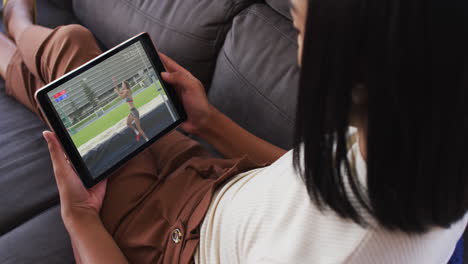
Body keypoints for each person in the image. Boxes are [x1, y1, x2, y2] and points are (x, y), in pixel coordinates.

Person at [1, 0, 467, 263]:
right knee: (80, 77)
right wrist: (208, 122)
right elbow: (303, 179)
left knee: (71, 49)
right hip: (213, 180)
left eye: (299, 31)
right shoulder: (423, 143)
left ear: (350, 67)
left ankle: (14, 26)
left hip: (168, 238)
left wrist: (79, 216)